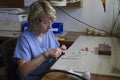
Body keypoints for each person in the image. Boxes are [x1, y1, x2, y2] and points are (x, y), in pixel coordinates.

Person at [13, 0, 67, 80]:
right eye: (45, 23)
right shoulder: (24, 39)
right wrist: (46, 53)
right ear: (34, 20)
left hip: (48, 75)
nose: (50, 27)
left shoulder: (47, 32)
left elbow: (54, 52)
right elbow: (24, 71)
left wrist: (60, 51)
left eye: (50, 22)